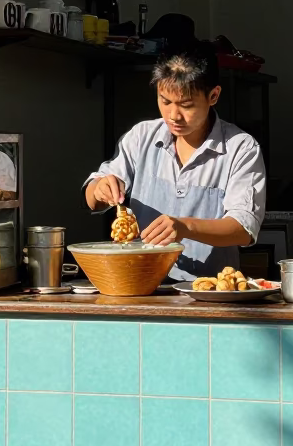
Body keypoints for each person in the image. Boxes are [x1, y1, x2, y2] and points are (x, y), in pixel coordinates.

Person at [84, 44, 266, 279]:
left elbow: (243, 228)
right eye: (165, 101)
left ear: (213, 96)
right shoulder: (142, 137)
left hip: (209, 290)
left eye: (186, 105)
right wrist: (100, 189)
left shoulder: (240, 148)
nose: (173, 116)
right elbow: (91, 199)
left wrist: (185, 227)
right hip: (140, 283)